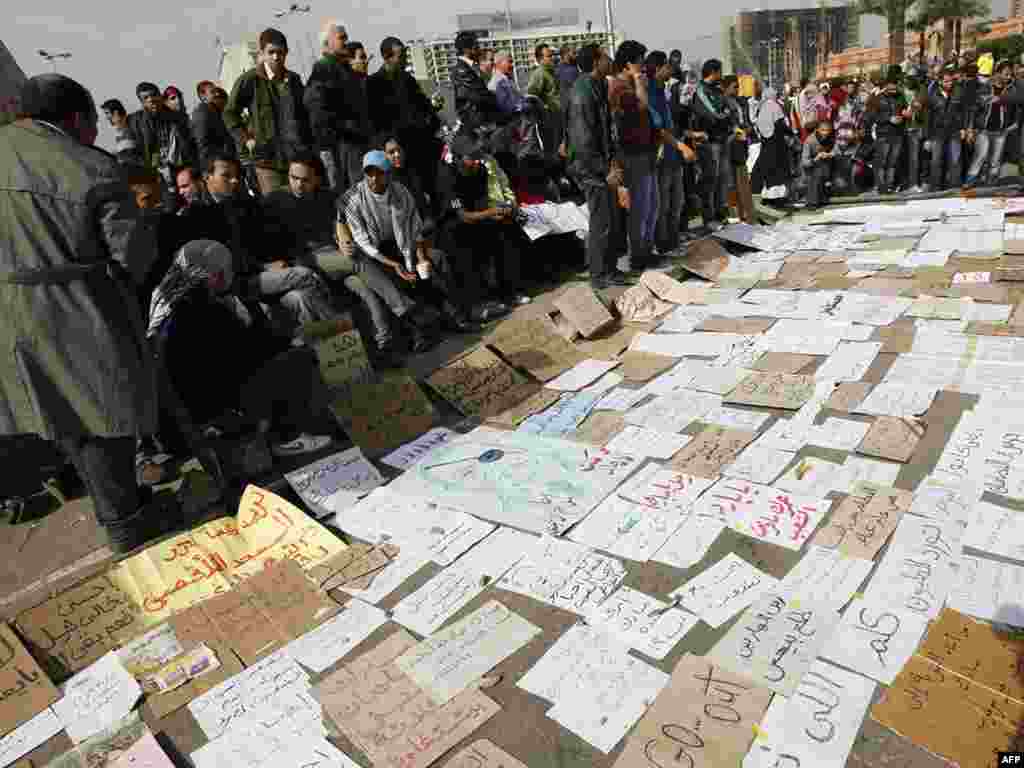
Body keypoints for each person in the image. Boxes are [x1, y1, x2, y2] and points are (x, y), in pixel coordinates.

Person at [1, 74, 163, 553]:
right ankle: (124, 523)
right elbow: (132, 256)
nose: (94, 132)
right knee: (102, 414)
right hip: (74, 309)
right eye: (92, 123)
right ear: (74, 118)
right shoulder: (89, 167)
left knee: (57, 413)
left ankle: (115, 503)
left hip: (9, 314)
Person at [148, 240, 335, 457]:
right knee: (297, 359)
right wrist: (289, 342)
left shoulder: (166, 297)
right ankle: (287, 437)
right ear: (214, 275)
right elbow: (246, 354)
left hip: (184, 408)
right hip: (212, 407)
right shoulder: (201, 308)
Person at [263, 152, 440, 357]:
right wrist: (272, 261)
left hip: (337, 258)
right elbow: (268, 240)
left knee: (366, 290)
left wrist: (344, 240)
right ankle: (407, 308)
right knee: (358, 260)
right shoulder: (276, 201)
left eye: (305, 180)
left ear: (317, 179)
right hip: (307, 260)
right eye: (293, 178)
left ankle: (385, 345)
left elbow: (340, 224)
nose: (298, 184)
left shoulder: (328, 197)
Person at [340, 150, 481, 337]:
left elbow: (415, 228)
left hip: (403, 244)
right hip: (375, 254)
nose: (374, 178)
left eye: (379, 173)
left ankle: (458, 317)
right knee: (392, 277)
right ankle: (418, 333)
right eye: (369, 173)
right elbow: (363, 243)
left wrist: (421, 258)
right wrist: (395, 264)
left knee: (436, 260)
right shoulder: (353, 198)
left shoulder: (400, 191)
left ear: (388, 174)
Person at [436, 134, 531, 320]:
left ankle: (509, 292)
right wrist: (490, 213)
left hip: (478, 220)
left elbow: (482, 204)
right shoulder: (447, 176)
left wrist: (501, 212)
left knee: (504, 231)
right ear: (458, 158)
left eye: (477, 155)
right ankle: (477, 305)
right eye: (471, 157)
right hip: (454, 227)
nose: (476, 160)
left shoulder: (480, 171)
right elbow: (462, 215)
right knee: (462, 244)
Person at [223, 28, 311, 195]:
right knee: (275, 204)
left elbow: (305, 116)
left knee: (298, 204)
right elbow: (229, 113)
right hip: (266, 162)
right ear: (262, 53)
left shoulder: (294, 80)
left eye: (280, 52)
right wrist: (246, 139)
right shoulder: (250, 80)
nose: (276, 57)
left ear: (286, 53)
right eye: (271, 52)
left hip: (295, 160)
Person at [566, 43, 626, 289]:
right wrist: (605, 169)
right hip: (591, 168)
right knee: (601, 223)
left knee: (611, 220)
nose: (609, 59)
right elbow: (583, 140)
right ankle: (599, 275)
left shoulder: (598, 85)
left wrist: (613, 163)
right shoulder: (582, 92)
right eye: (604, 56)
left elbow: (605, 131)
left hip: (603, 164)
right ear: (595, 62)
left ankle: (610, 269)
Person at [366, 37, 443, 216]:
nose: (405, 60)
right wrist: (389, 144)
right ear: (387, 57)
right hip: (397, 152)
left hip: (419, 145)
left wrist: (431, 120)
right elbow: (375, 121)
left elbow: (424, 106)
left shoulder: (407, 79)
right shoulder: (374, 83)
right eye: (401, 56)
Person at [609, 40, 659, 270]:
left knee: (652, 206)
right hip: (631, 154)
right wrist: (638, 81)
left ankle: (647, 250)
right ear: (629, 64)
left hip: (646, 152)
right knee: (639, 208)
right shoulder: (618, 88)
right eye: (640, 62)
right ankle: (637, 255)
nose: (644, 66)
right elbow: (641, 106)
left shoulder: (630, 85)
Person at [305, 21, 371, 193]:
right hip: (340, 147)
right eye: (342, 38)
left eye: (346, 37)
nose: (346, 41)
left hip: (354, 144)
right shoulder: (324, 68)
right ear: (327, 43)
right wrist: (343, 129)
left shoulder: (342, 68)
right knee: (349, 194)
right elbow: (317, 111)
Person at [646, 51, 696, 252]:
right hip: (663, 156)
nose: (671, 70)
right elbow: (658, 128)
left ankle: (673, 241)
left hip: (674, 155)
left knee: (677, 202)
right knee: (663, 205)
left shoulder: (663, 90)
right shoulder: (649, 92)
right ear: (658, 68)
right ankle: (663, 244)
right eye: (667, 66)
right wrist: (680, 146)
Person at [126, 82, 195, 207]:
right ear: (142, 102)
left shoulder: (177, 118)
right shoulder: (135, 122)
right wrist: (158, 168)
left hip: (182, 171)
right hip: (158, 176)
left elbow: (190, 145)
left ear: (160, 96)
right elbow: (135, 154)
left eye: (153, 95)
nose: (151, 99)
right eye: (146, 98)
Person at [693, 58, 733, 232]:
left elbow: (728, 109)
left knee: (722, 179)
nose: (721, 75)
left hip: (722, 140)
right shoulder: (700, 90)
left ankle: (720, 214)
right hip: (709, 142)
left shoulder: (717, 90)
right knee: (710, 180)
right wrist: (724, 115)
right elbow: (712, 114)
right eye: (719, 72)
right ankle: (708, 218)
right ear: (713, 72)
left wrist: (725, 115)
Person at [966, 59, 1017, 187]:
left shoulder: (1011, 88)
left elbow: (1016, 103)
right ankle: (970, 181)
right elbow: (974, 108)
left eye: (1010, 75)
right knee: (981, 156)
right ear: (998, 73)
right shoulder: (986, 87)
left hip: (1001, 131)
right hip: (984, 129)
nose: (1008, 77)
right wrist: (970, 128)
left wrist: (1014, 123)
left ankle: (991, 184)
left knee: (996, 160)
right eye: (1006, 74)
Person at [864, 67, 909, 194]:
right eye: (891, 88)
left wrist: (905, 114)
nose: (893, 90)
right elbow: (871, 116)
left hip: (898, 133)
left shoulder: (900, 96)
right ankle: (881, 187)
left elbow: (905, 108)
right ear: (886, 86)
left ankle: (889, 185)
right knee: (882, 161)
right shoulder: (878, 98)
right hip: (883, 133)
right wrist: (889, 118)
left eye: (895, 87)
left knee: (893, 162)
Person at [750, 87, 794, 203]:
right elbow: (780, 124)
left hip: (766, 142)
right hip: (776, 143)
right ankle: (777, 197)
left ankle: (765, 196)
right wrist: (791, 133)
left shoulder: (761, 107)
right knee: (777, 170)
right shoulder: (774, 106)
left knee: (766, 169)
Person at [451, 31, 501, 132]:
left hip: (482, 120)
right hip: (476, 125)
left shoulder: (471, 67)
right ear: (466, 49)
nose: (479, 49)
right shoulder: (462, 70)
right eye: (476, 46)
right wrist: (496, 97)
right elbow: (479, 95)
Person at [927, 67, 967, 190]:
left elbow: (963, 112)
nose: (949, 84)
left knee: (955, 160)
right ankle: (935, 187)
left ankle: (955, 186)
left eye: (951, 81)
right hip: (937, 132)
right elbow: (928, 117)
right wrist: (928, 138)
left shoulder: (958, 92)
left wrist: (963, 128)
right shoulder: (932, 95)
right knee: (936, 161)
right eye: (946, 81)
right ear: (940, 81)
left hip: (954, 131)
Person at [190, 85, 235, 174]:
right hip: (214, 164)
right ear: (203, 96)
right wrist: (213, 163)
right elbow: (202, 142)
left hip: (224, 160)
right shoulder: (202, 112)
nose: (217, 94)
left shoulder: (215, 112)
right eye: (212, 92)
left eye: (216, 91)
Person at [528, 43, 562, 152]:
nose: (552, 58)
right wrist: (544, 109)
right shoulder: (539, 74)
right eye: (549, 56)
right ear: (540, 59)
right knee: (552, 149)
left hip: (556, 116)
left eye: (552, 55)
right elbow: (531, 96)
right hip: (548, 120)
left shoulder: (551, 72)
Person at [801, 119, 837, 209]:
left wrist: (830, 154)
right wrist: (816, 158)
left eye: (828, 130)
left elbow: (837, 150)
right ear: (817, 129)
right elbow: (805, 162)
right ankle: (812, 202)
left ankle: (824, 196)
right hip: (812, 169)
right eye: (823, 130)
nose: (825, 133)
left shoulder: (832, 138)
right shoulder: (809, 141)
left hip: (829, 166)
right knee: (817, 172)